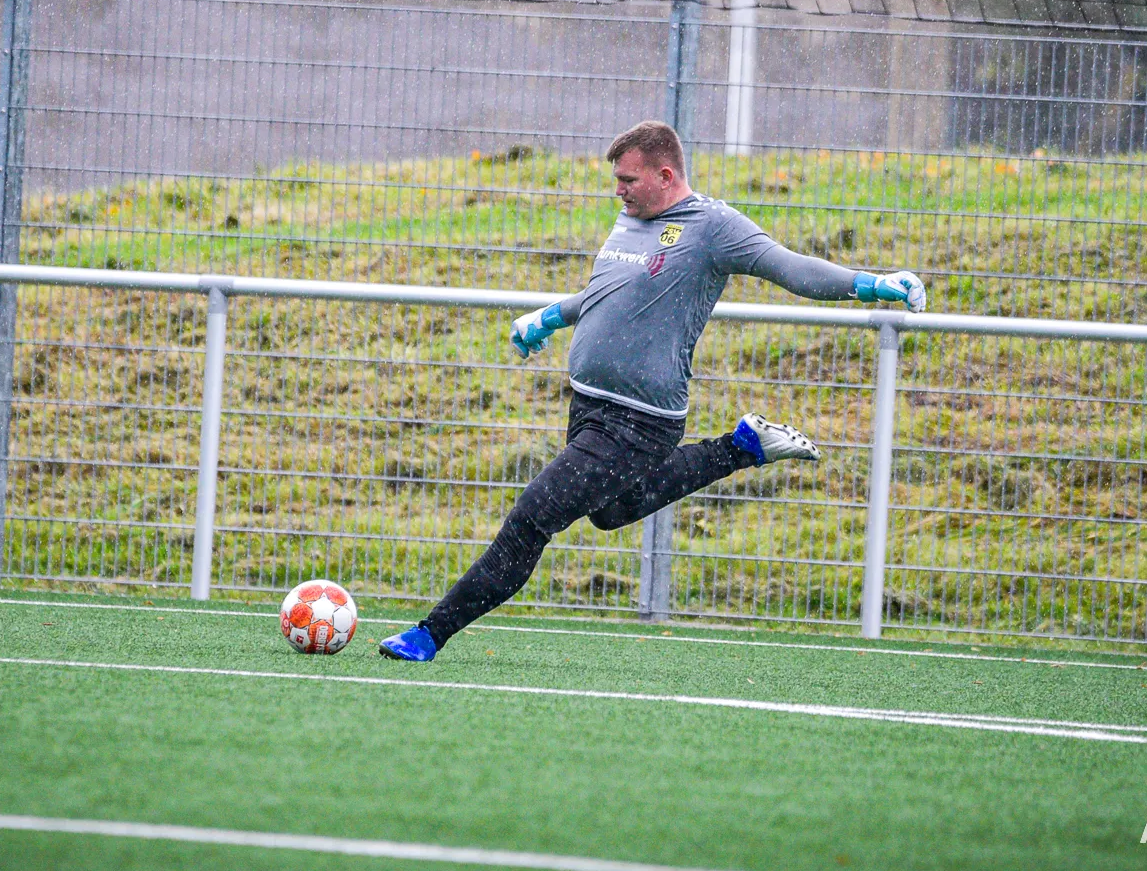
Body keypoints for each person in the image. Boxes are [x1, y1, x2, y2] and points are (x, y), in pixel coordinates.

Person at [377, 121, 926, 661]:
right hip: (588, 404)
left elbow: (791, 268)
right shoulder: (631, 218)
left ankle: (430, 633)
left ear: (665, 176)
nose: (618, 191)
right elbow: (608, 291)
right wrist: (549, 316)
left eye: (627, 180)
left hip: (639, 419)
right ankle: (742, 447)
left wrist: (871, 284)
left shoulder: (712, 226)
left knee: (532, 517)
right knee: (612, 510)